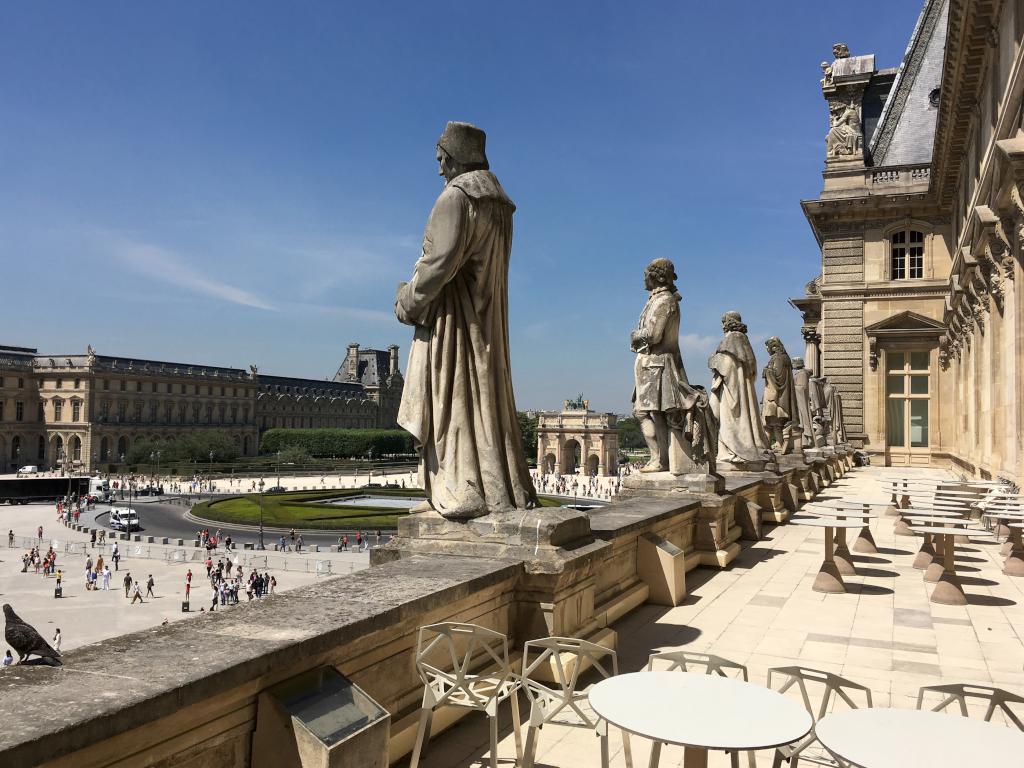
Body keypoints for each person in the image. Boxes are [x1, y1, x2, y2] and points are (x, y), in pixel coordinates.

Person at [395, 121, 536, 519]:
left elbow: (437, 266)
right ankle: (493, 486)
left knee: (454, 404)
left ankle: (460, 488)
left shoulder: (456, 198)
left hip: (454, 320)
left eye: (442, 158)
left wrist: (406, 300)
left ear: (456, 156)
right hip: (487, 318)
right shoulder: (499, 205)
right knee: (482, 402)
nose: (439, 168)